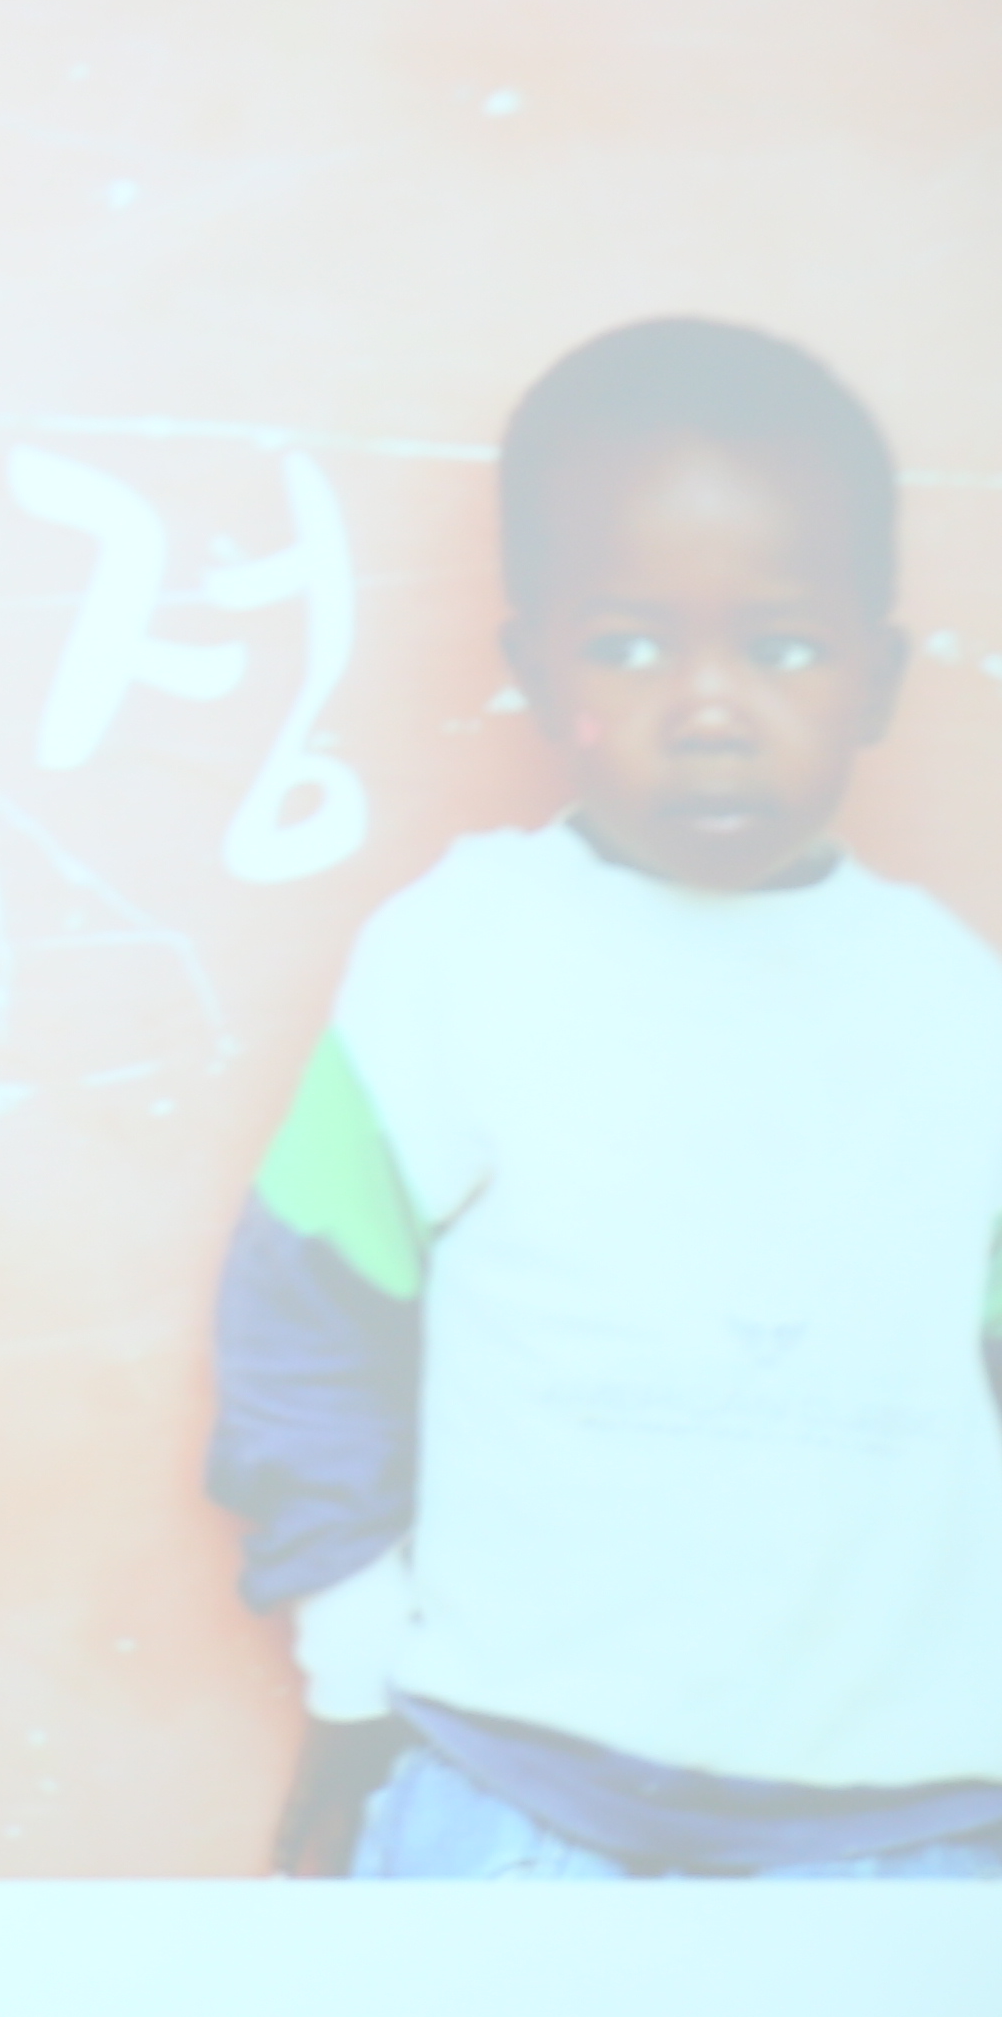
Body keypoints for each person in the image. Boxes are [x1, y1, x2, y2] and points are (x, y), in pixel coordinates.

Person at [211, 319, 1002, 1879]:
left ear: (877, 680)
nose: (707, 706)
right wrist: (352, 1680)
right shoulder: (461, 960)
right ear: (533, 674)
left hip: (914, 1814)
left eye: (782, 647)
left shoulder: (961, 1011)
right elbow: (306, 1325)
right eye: (629, 648)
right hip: (517, 1789)